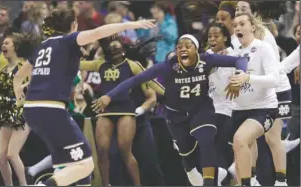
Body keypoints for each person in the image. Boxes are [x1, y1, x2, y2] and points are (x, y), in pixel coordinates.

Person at [13, 8, 156, 186]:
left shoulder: (44, 46)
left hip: (32, 111)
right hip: (52, 110)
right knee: (86, 164)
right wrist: (133, 24)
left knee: (69, 165)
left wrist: (19, 92)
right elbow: (99, 32)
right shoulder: (68, 40)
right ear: (73, 25)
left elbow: (18, 76)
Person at [92, 34, 248, 186]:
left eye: (188, 46)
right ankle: (192, 173)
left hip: (201, 110)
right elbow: (135, 80)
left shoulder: (207, 59)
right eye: (179, 47)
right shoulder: (169, 65)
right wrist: (109, 96)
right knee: (187, 156)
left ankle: (209, 183)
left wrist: (239, 77)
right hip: (176, 115)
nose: (183, 49)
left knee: (206, 140)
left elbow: (240, 60)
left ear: (196, 49)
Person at [79, 35, 163, 186]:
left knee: (127, 151)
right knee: (103, 150)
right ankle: (106, 184)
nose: (114, 50)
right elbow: (78, 65)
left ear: (124, 50)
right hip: (107, 111)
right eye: (111, 48)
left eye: (117, 48)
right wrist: (89, 50)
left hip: (128, 111)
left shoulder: (133, 65)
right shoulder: (100, 64)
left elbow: (152, 94)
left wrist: (142, 109)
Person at [227, 12, 282, 186]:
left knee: (240, 139)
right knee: (241, 149)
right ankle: (250, 181)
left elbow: (275, 80)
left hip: (263, 108)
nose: (237, 28)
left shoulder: (263, 47)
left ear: (252, 26)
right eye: (235, 25)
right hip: (239, 109)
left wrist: (248, 78)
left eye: (242, 24)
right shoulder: (235, 52)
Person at [0, 32, 36, 186]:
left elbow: (35, 86)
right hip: (7, 114)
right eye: (3, 43)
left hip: (23, 113)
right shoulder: (2, 71)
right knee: (0, 156)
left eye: (7, 43)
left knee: (11, 154)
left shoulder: (25, 67)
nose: (3, 46)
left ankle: (23, 184)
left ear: (16, 47)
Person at [206, 23, 236, 185]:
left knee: (221, 151)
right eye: (210, 36)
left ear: (225, 37)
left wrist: (213, 66)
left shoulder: (232, 56)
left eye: (216, 36)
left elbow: (226, 90)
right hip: (208, 110)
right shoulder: (207, 55)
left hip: (226, 109)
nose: (212, 39)